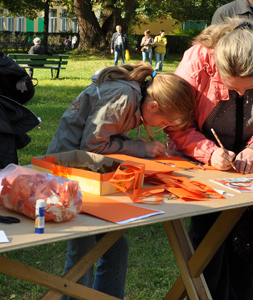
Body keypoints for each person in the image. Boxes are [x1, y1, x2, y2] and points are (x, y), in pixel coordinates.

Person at [167, 19, 253, 300]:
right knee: (207, 242)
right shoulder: (196, 61)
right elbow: (176, 122)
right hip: (205, 161)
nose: (240, 95)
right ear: (216, 64)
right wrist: (209, 152)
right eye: (232, 88)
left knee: (246, 240)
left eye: (249, 88)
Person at [48, 63, 196, 300]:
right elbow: (92, 147)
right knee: (84, 250)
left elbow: (109, 134)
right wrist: (140, 147)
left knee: (115, 246)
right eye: (163, 123)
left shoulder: (135, 98)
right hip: (68, 171)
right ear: (153, 106)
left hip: (90, 173)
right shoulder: (124, 97)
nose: (161, 128)